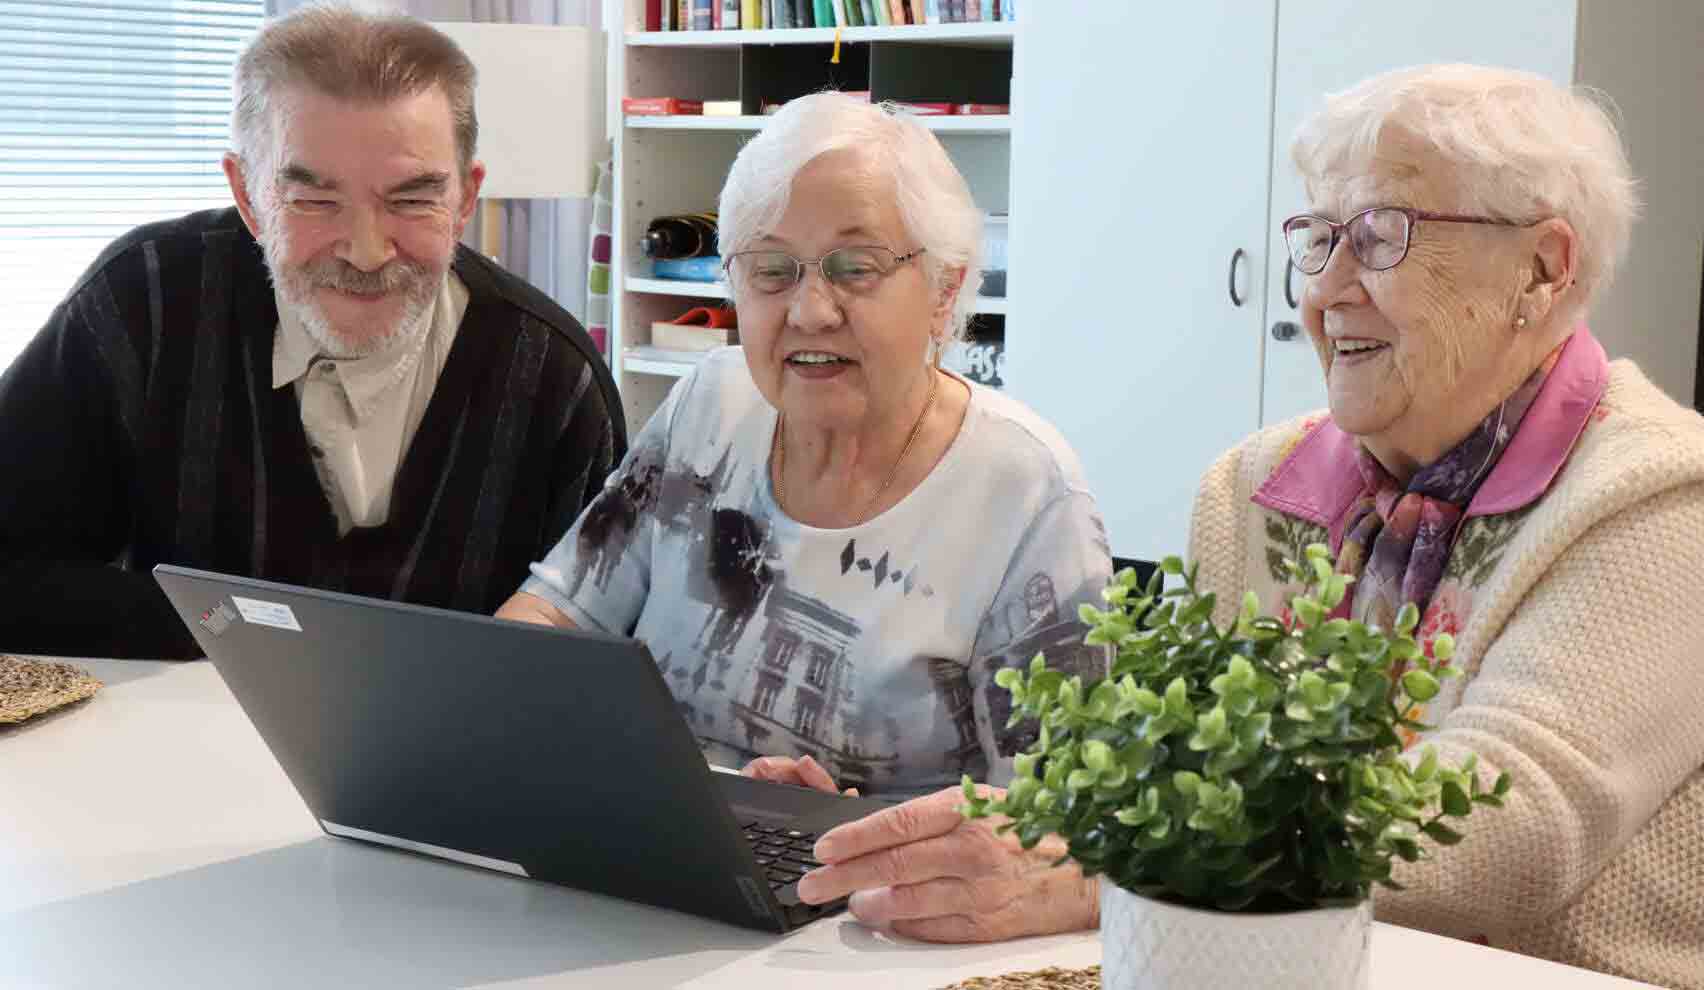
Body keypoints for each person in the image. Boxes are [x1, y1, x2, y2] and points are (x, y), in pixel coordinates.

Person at [1184, 65, 1704, 987]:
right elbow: (1185, 759)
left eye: (1380, 237)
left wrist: (1155, 853)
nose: (1327, 291)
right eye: (1321, 238)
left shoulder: (1659, 493)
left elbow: (1508, 816)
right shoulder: (1252, 486)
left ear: (1543, 269)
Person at [498, 92, 1111, 941]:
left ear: (944, 291)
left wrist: (853, 824)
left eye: (855, 268)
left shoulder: (1025, 491)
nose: (810, 310)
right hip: (656, 884)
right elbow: (553, 615)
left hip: (882, 934)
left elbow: (1071, 835)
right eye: (772, 269)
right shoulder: (711, 405)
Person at [0, 3, 625, 660]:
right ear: (248, 196)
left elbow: (600, 651)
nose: (366, 252)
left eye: (412, 199)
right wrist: (233, 629)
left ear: (465, 199)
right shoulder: (143, 305)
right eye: (315, 201)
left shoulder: (553, 378)